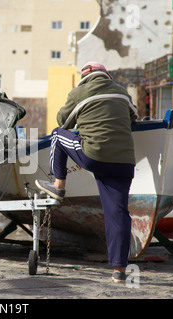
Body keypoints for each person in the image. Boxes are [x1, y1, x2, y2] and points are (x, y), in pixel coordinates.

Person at [35, 61, 138, 283]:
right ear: (106, 75)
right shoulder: (122, 92)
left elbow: (63, 121)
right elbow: (132, 118)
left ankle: (59, 186)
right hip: (124, 162)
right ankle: (119, 271)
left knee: (56, 134)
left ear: (84, 77)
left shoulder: (78, 92)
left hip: (94, 155)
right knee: (118, 214)